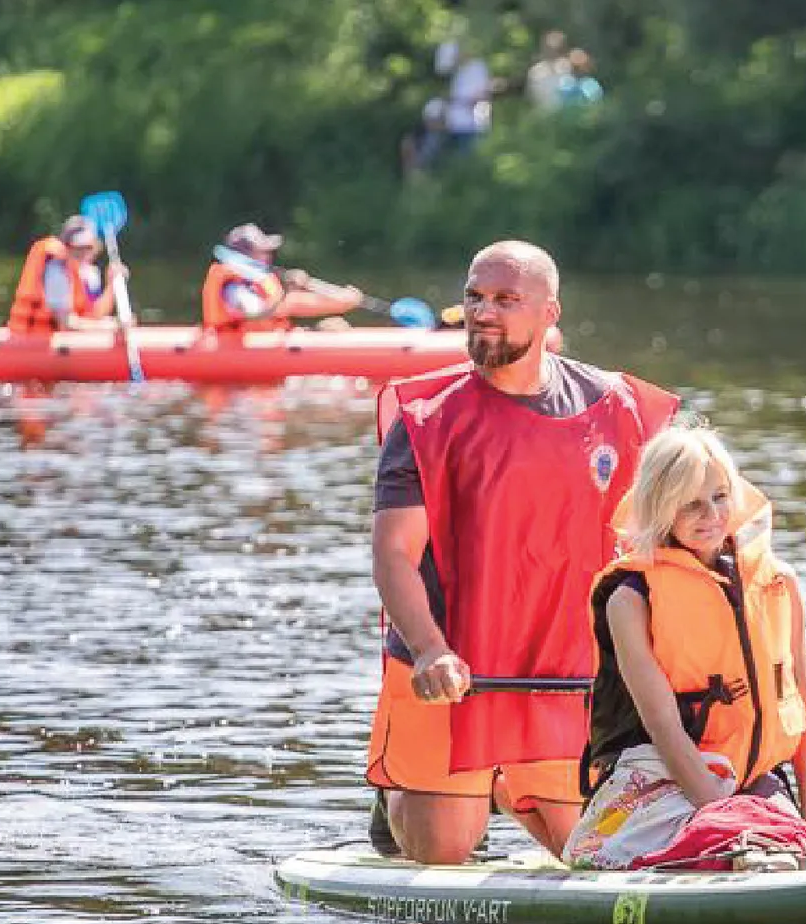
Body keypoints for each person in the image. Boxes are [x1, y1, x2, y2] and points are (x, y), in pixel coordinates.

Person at [366, 240, 681, 864]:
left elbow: (692, 523)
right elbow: (394, 554)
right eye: (474, 297)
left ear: (550, 313)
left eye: (506, 300)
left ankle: (511, 786)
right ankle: (395, 797)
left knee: (597, 856)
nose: (484, 312)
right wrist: (430, 650)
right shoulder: (425, 420)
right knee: (444, 853)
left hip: (561, 671)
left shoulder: (620, 409)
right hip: (453, 669)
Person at [565, 422, 806, 870]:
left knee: (803, 851)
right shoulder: (630, 599)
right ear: (662, 509)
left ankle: (759, 843)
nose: (711, 515)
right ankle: (726, 846)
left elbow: (804, 706)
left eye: (720, 497)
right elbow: (663, 725)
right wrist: (718, 814)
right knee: (733, 846)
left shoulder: (779, 583)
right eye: (691, 504)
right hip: (660, 777)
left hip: (753, 783)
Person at [200, 223, 362, 331]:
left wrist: (340, 300)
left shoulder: (255, 280)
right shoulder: (233, 286)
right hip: (237, 348)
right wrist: (338, 302)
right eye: (262, 252)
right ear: (246, 255)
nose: (268, 257)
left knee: (334, 326)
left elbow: (286, 304)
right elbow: (254, 311)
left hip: (266, 341)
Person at [8, 214, 125, 335]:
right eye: (79, 248)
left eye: (89, 248)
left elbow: (94, 314)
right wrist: (111, 327)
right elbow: (66, 323)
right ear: (67, 245)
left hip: (56, 340)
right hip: (32, 342)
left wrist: (112, 285)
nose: (85, 253)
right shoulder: (55, 268)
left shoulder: (83, 273)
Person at [442, 45, 494, 155]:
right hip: (456, 124)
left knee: (473, 154)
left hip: (474, 123)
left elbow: (482, 94)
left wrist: (464, 101)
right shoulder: (457, 72)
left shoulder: (478, 68)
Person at [525, 30, 570, 110]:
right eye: (549, 47)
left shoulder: (569, 68)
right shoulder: (536, 71)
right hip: (544, 116)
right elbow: (531, 98)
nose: (552, 49)